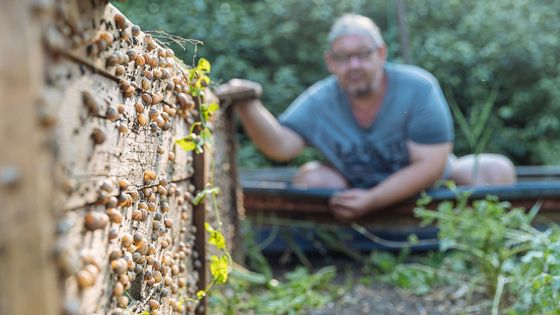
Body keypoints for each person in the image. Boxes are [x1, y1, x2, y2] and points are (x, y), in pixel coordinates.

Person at [217, 13, 516, 221]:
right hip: (352, 195)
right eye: (344, 58)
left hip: (429, 189)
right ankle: (340, 249)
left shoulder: (418, 87)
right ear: (330, 63)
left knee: (495, 170)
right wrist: (249, 104)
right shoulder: (319, 98)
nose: (355, 65)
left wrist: (373, 199)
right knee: (311, 177)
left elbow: (432, 164)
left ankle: (466, 243)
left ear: (382, 53)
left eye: (363, 54)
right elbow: (280, 147)